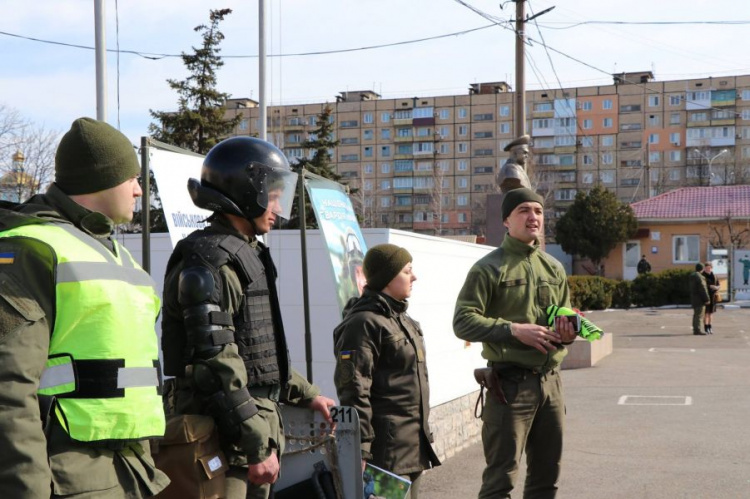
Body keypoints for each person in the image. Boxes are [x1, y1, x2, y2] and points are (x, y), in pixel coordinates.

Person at [0, 117, 169, 497]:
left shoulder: (115, 253)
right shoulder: (31, 249)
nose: (139, 191)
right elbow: (8, 388)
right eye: (132, 179)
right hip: (71, 477)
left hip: (129, 471)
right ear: (102, 179)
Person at [160, 136, 335, 499]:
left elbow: (256, 349)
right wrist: (255, 445)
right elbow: (215, 364)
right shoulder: (211, 262)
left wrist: (306, 393)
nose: (278, 207)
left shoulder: (247, 252)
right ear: (244, 191)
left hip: (249, 430)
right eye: (272, 195)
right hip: (224, 436)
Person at [453, 188, 577, 499]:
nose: (533, 217)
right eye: (524, 210)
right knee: (499, 481)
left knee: (547, 478)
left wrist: (567, 334)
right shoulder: (488, 268)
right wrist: (513, 330)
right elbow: (462, 321)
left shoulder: (554, 268)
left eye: (538, 211)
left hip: (551, 385)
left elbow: (561, 323)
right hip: (509, 386)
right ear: (507, 220)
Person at [333, 244, 441, 498]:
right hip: (385, 455)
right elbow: (354, 388)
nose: (414, 277)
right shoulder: (363, 323)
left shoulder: (403, 320)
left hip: (412, 449)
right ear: (388, 277)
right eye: (407, 271)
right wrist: (361, 449)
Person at [690, 263, 711, 336]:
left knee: (696, 315)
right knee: (699, 315)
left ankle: (695, 329)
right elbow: (703, 289)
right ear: (702, 269)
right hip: (700, 299)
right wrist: (707, 299)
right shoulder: (700, 277)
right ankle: (697, 330)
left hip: (694, 298)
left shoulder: (693, 276)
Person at [702, 262, 720, 334]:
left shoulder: (714, 276)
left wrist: (717, 287)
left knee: (711, 313)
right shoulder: (703, 276)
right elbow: (703, 286)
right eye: (706, 268)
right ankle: (706, 328)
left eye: (709, 268)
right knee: (706, 313)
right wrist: (710, 286)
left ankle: (710, 327)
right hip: (706, 296)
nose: (708, 269)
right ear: (704, 268)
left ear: (711, 268)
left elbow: (718, 284)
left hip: (713, 296)